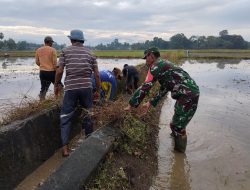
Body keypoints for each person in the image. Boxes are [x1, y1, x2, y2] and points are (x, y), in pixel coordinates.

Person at [124, 47, 199, 153]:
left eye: (146, 58)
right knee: (176, 123)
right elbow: (165, 88)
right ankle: (176, 140)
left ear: (151, 55)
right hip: (187, 93)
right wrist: (150, 103)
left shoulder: (156, 66)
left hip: (187, 95)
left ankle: (179, 156)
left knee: (177, 126)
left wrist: (131, 105)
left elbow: (146, 87)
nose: (146, 60)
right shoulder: (162, 64)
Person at [54, 29, 101, 156]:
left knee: (65, 117)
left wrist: (57, 84)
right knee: (88, 114)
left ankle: (65, 149)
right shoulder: (91, 53)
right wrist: (98, 90)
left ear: (71, 40)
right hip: (87, 87)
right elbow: (96, 74)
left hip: (71, 88)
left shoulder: (65, 51)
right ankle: (88, 142)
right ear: (82, 40)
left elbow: (59, 71)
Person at [35, 36, 61, 100]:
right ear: (49, 42)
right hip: (51, 72)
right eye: (52, 42)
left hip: (42, 72)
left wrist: (43, 66)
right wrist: (57, 71)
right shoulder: (53, 50)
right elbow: (55, 63)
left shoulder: (38, 50)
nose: (52, 44)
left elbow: (37, 62)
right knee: (59, 86)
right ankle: (60, 99)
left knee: (43, 88)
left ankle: (41, 101)